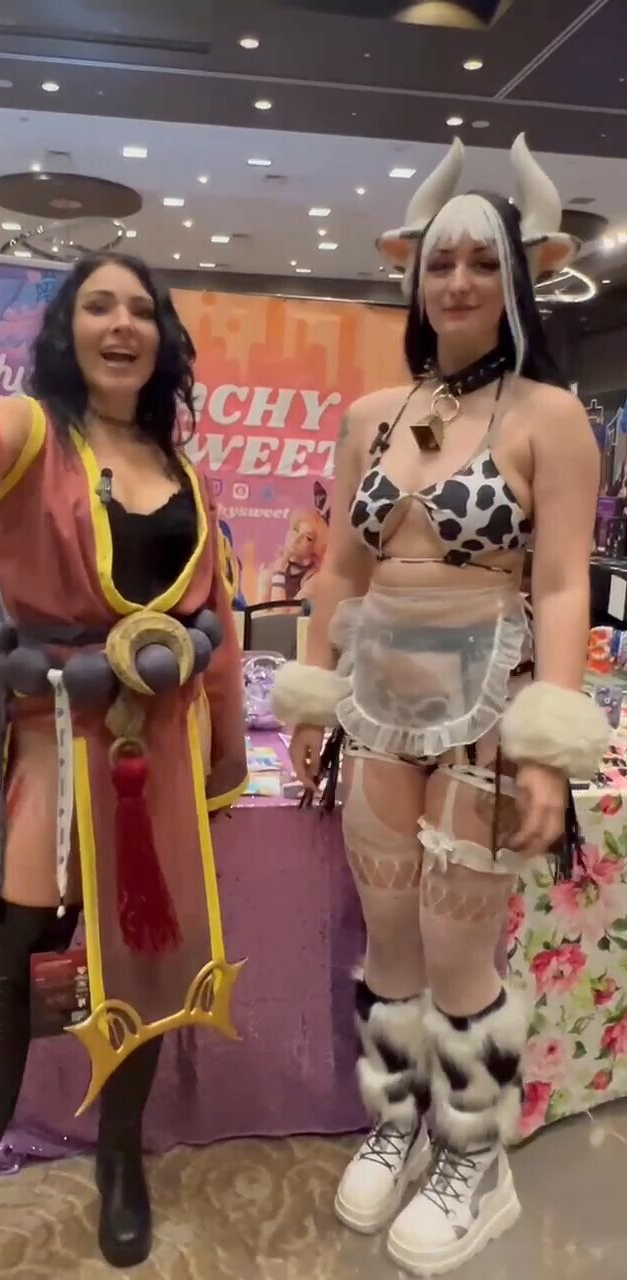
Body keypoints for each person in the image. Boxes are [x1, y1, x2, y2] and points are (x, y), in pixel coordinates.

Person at [272, 135, 608, 1276]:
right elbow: (341, 570)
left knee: (463, 948)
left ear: (516, 277)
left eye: (481, 261)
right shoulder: (373, 411)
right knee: (390, 940)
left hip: (485, 705)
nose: (457, 281)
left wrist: (549, 744)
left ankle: (476, 1158)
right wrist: (312, 690)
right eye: (441, 262)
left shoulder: (551, 415)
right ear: (414, 277)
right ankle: (401, 1119)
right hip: (376, 703)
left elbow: (562, 583)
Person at [0, 252, 247, 1276]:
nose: (121, 323)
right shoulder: (28, 431)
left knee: (138, 970)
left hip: (159, 762)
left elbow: (216, 624)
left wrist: (222, 761)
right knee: (1, 995)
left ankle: (118, 1159)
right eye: (98, 304)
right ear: (67, 327)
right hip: (57, 752)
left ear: (162, 339)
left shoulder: (179, 468)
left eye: (141, 309)